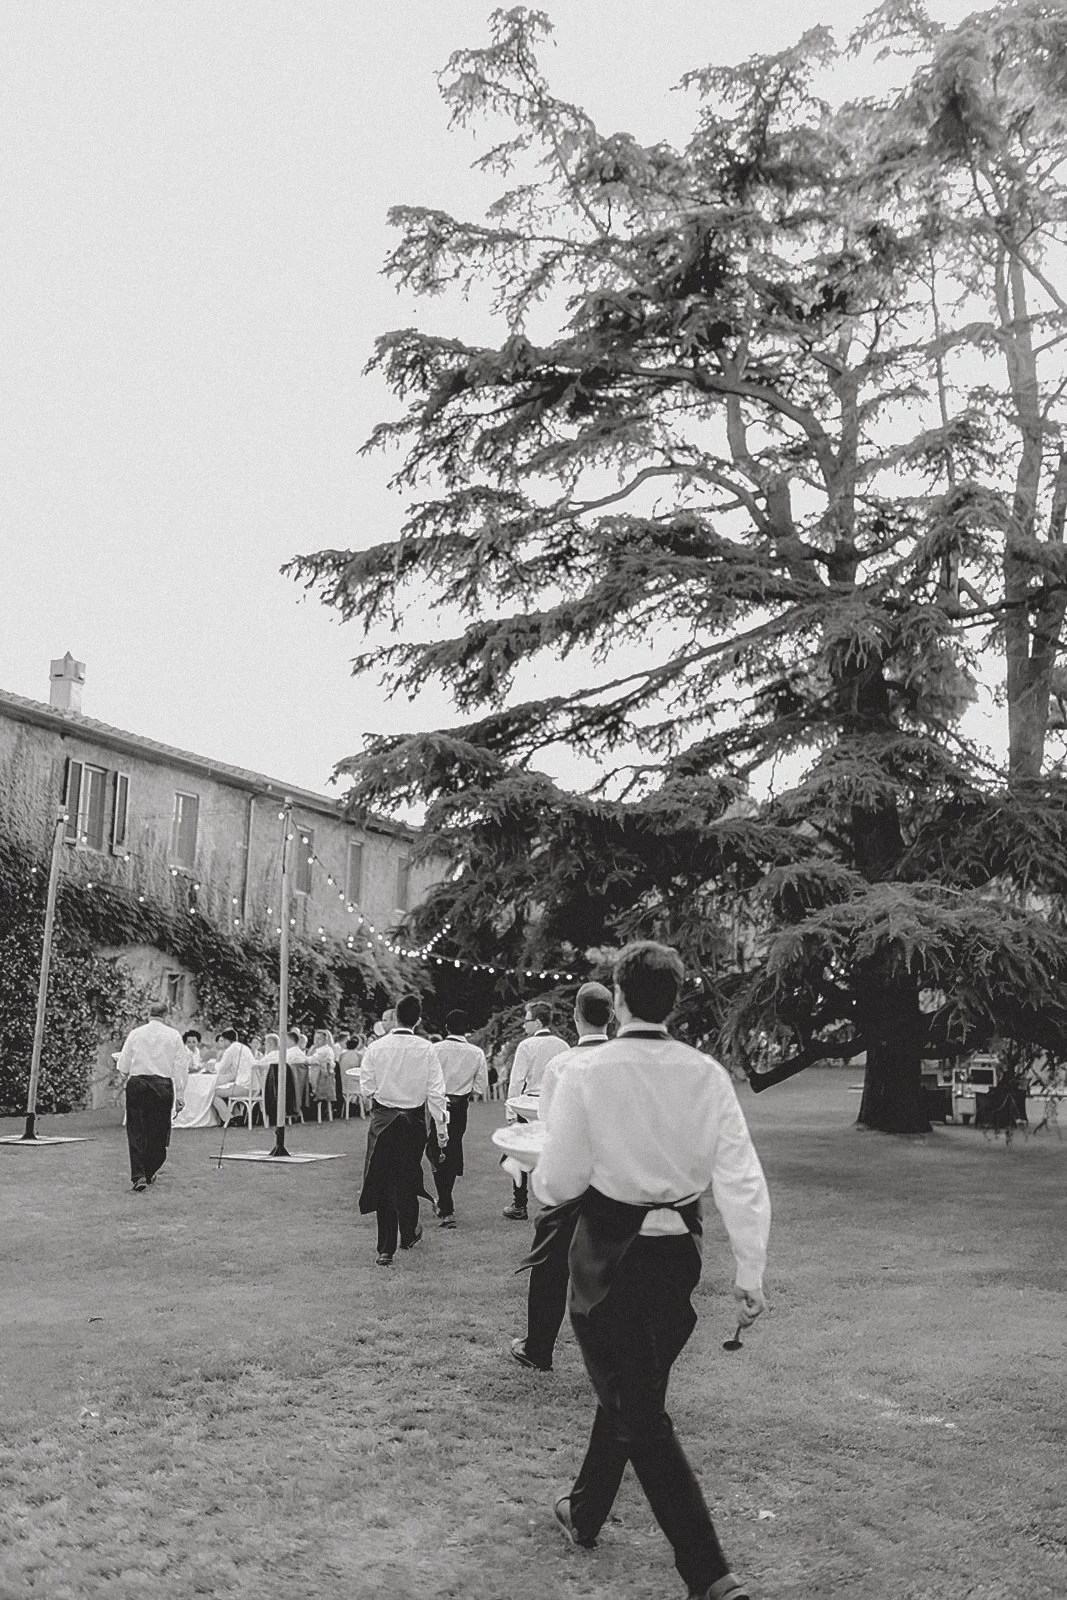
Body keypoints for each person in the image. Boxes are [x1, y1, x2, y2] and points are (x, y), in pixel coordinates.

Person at [533, 942, 770, 1600]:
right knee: (632, 1392)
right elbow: (741, 1179)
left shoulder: (589, 1072)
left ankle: (709, 1574)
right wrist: (748, 1271)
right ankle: (583, 1513)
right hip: (677, 1258)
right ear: (676, 996)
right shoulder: (705, 1074)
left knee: (638, 1410)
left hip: (610, 1253)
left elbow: (557, 1181)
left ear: (619, 997)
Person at [511, 981, 613, 1373]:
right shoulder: (625, 1062)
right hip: (615, 1182)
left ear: (575, 1016)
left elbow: (548, 1125)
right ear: (612, 1016)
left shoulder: (561, 1065)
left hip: (570, 1182)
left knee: (551, 1267)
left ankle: (538, 1348)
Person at [358, 993, 448, 1266]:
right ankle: (408, 1234)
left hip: (383, 1120)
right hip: (413, 1122)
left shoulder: (375, 1048)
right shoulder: (426, 1048)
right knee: (408, 1175)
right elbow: (436, 1093)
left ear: (395, 1017)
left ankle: (386, 1248)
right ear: (418, 1020)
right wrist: (442, 1132)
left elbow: (366, 1088)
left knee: (384, 1180)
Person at [502, 1002, 568, 1221]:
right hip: (554, 1105)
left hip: (529, 1103)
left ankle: (519, 1205)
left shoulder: (527, 1045)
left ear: (538, 1022)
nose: (523, 1025)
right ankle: (558, 1203)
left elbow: (516, 1080)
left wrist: (510, 1113)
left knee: (519, 1155)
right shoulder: (563, 1045)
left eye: (527, 1020)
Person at [116, 1000, 190, 1191]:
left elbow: (123, 1065)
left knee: (137, 1130)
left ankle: (140, 1174)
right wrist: (181, 1094)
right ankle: (149, 1170)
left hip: (138, 1082)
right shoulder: (173, 1036)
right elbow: (180, 1066)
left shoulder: (135, 1034)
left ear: (148, 1014)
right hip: (162, 1084)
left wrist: (126, 1070)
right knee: (159, 1130)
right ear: (166, 1016)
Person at [428, 1009, 488, 1228]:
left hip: (435, 1104)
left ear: (446, 1027)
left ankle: (446, 1205)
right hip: (460, 1105)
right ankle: (445, 1203)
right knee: (451, 1149)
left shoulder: (435, 1049)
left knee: (435, 1150)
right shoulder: (476, 1053)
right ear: (468, 1030)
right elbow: (481, 1087)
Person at [213, 1028, 257, 1123]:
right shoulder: (244, 1048)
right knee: (227, 1089)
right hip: (255, 1088)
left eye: (223, 1040)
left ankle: (228, 1119)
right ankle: (237, 1117)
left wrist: (213, 1065)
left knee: (213, 1093)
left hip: (245, 1088)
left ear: (226, 1040)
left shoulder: (231, 1049)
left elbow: (221, 1069)